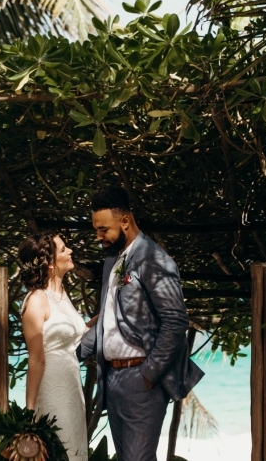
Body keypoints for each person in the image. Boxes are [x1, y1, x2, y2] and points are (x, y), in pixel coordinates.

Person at [78, 186, 204, 461]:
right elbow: (109, 318)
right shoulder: (114, 259)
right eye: (96, 230)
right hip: (113, 380)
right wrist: (71, 350)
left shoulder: (153, 259)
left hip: (140, 381)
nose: (98, 236)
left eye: (103, 229)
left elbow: (175, 321)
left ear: (125, 221)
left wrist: (148, 375)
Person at [19, 232, 95, 461]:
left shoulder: (61, 295)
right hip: (52, 388)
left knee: (75, 449)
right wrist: (30, 411)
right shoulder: (36, 300)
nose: (70, 251)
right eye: (63, 249)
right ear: (50, 264)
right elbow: (36, 359)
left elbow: (80, 334)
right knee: (61, 451)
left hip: (72, 388)